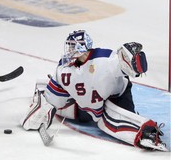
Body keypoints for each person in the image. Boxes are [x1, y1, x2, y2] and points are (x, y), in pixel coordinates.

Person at [21, 30, 167, 151]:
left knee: (117, 117)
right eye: (69, 47)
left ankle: (146, 133)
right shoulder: (63, 70)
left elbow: (132, 67)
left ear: (84, 48)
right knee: (75, 110)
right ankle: (41, 87)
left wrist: (134, 58)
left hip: (116, 96)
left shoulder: (105, 59)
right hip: (87, 107)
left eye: (74, 47)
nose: (70, 51)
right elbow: (53, 100)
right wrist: (42, 110)